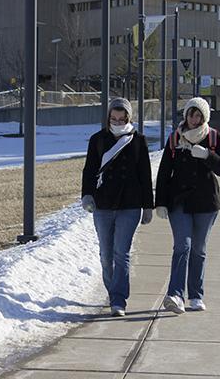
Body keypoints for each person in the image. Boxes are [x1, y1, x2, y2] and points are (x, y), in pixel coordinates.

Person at [155, 97, 220, 314]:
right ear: (185, 115)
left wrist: (208, 155)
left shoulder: (213, 137)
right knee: (182, 246)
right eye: (191, 114)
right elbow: (163, 173)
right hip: (179, 201)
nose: (194, 119)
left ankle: (196, 295)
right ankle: (175, 295)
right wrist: (160, 202)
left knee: (198, 249)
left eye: (199, 116)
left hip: (206, 203)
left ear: (204, 118)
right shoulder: (174, 139)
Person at [81, 97, 154, 317]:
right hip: (103, 204)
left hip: (129, 205)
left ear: (128, 118)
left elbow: (145, 174)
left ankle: (118, 299)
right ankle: (113, 291)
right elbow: (89, 169)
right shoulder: (98, 139)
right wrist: (87, 195)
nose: (117, 122)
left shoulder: (138, 140)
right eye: (114, 118)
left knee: (121, 253)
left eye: (121, 119)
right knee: (106, 254)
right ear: (108, 117)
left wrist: (147, 206)